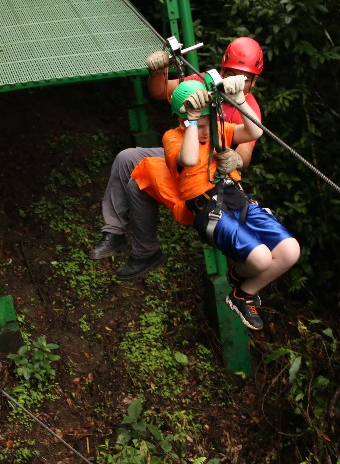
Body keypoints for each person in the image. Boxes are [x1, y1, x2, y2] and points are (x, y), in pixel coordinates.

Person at [88, 37, 265, 281]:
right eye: (229, 72)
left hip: (207, 174)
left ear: (254, 82)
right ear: (221, 69)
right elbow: (161, 91)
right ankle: (115, 233)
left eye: (244, 78)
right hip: (182, 153)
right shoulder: (204, 82)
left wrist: (235, 158)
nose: (234, 81)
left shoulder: (249, 108)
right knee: (127, 158)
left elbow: (246, 152)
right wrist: (158, 71)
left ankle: (145, 251)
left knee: (138, 180)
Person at [161, 80, 300, 330]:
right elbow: (190, 158)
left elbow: (255, 132)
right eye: (200, 126)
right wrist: (193, 123)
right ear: (183, 122)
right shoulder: (173, 138)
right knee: (261, 258)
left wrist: (240, 99)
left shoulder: (218, 129)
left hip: (236, 198)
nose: (206, 131)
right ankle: (241, 291)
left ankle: (243, 291)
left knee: (290, 250)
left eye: (208, 124)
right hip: (209, 210)